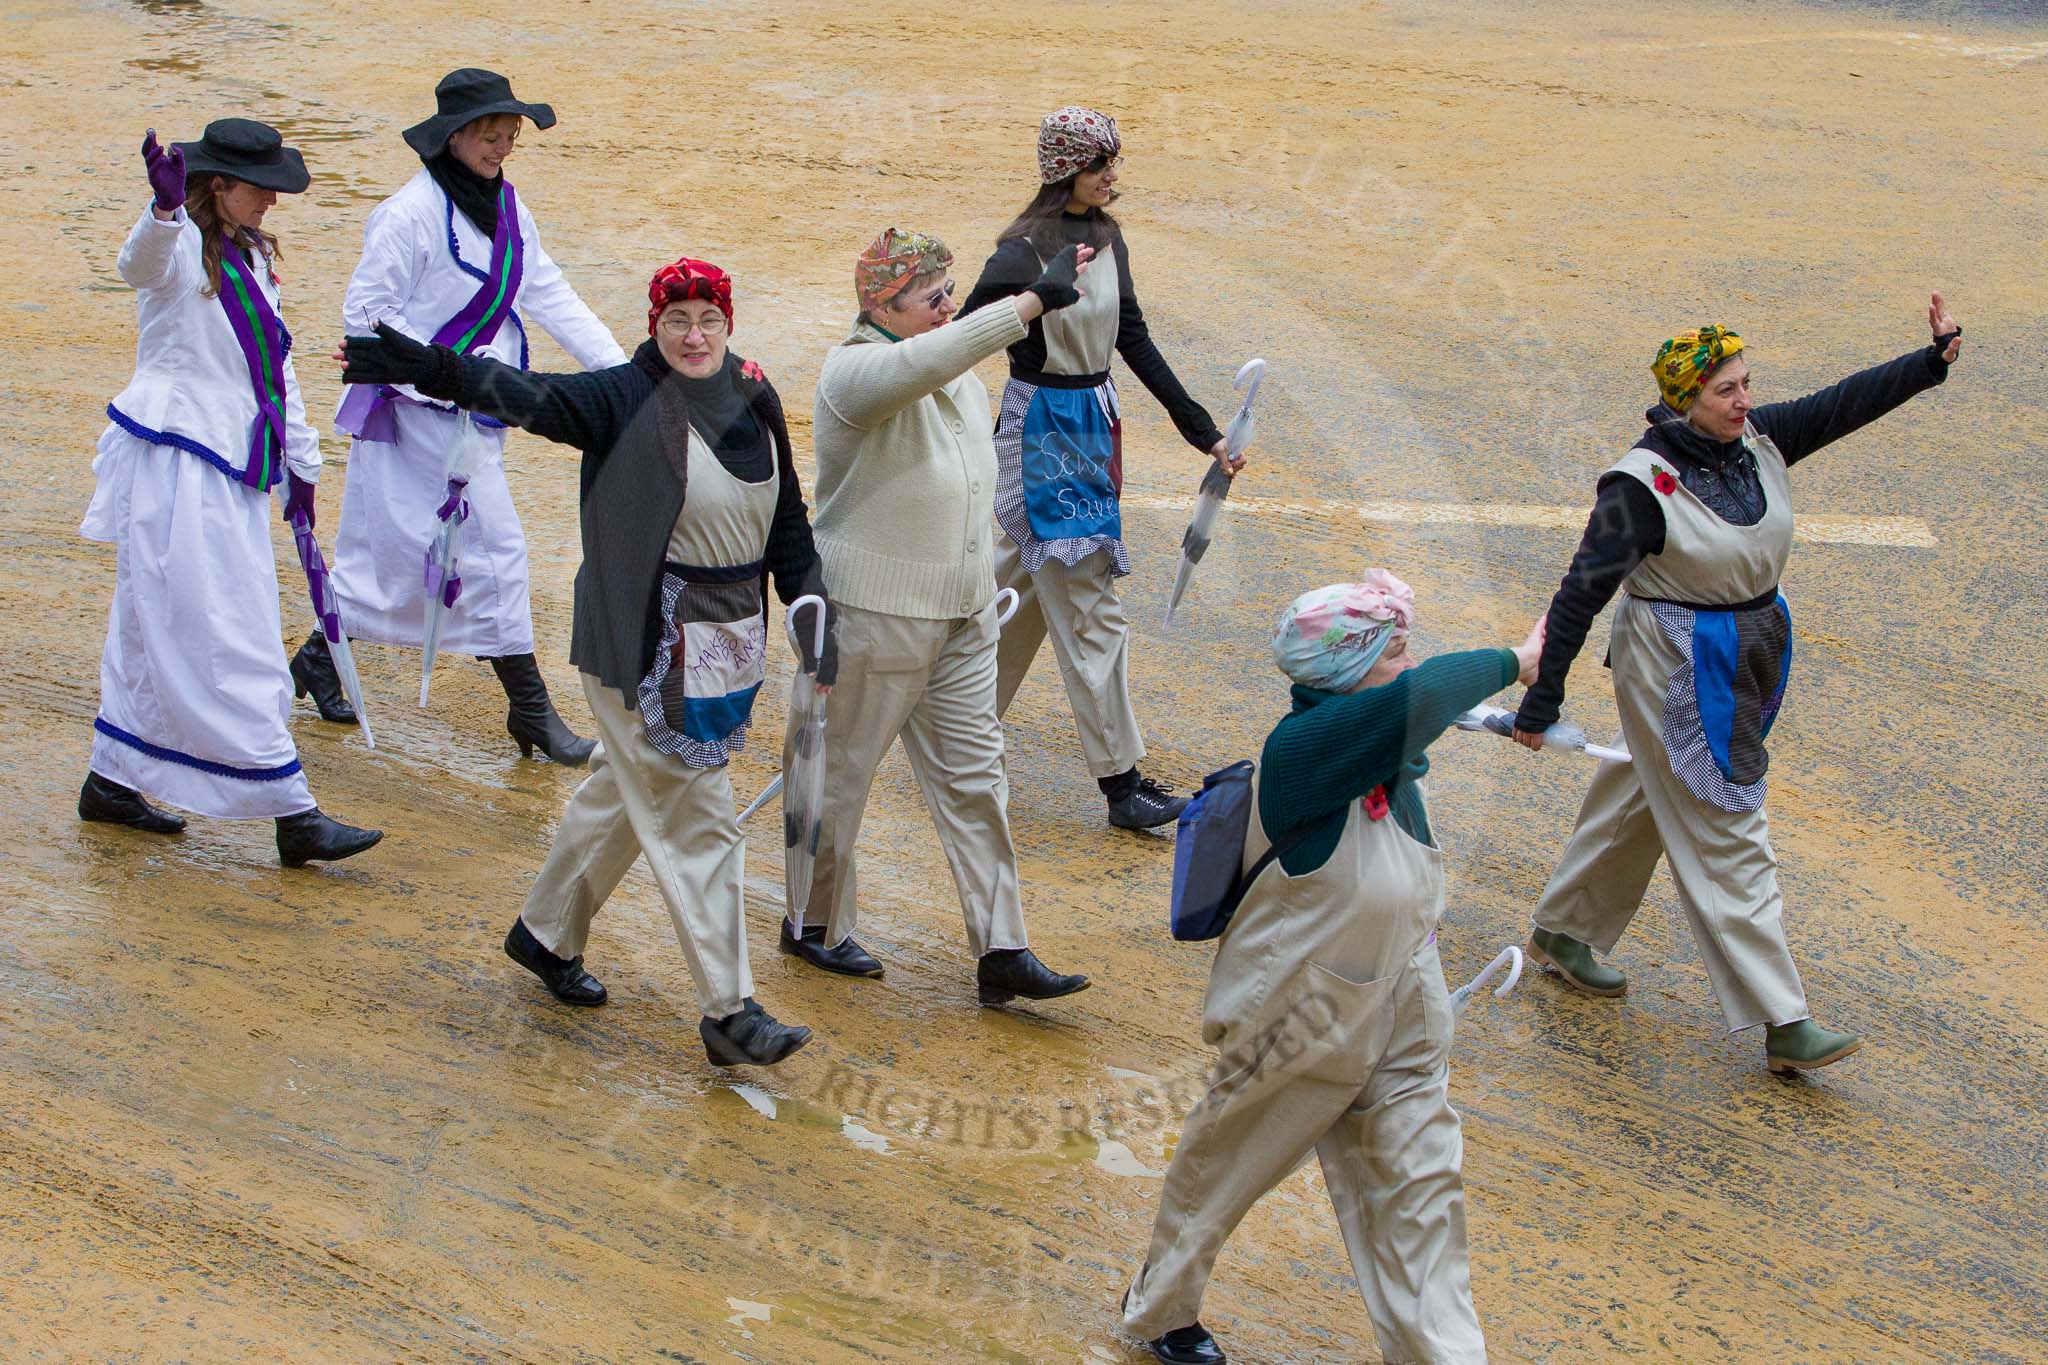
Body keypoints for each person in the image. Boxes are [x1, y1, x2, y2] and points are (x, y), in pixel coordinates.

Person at [340, 256, 828, 1067]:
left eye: (709, 319)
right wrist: (425, 366)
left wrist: (812, 605)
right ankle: (728, 1010)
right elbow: (530, 396)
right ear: (654, 325)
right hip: (634, 645)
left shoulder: (755, 392)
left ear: (729, 323)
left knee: (624, 794)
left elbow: (789, 523)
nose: (695, 335)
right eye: (678, 320)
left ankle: (543, 933)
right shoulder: (624, 398)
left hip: (725, 649)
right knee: (697, 816)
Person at [1511, 299, 1964, 1072]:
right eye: (1727, 390)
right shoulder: (1638, 486)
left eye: (1747, 384)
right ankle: (1783, 1019)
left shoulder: (1755, 442)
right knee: (1727, 821)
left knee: (1647, 787)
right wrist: (1541, 700)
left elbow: (1842, 404)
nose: (1744, 400)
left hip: (1740, 646)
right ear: (1685, 398)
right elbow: (1579, 594)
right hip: (1676, 662)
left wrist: (1928, 363)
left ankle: (1565, 929)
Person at [1122, 574, 1538, 1365]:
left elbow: (1409, 715)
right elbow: (1418, 700)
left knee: (1422, 1186)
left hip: (1399, 996)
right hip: (1297, 1013)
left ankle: (1442, 1355)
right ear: (1352, 667)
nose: (1409, 659)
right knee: (1224, 1167)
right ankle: (1159, 1307)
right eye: (1395, 645)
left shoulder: (1388, 752)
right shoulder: (1302, 750)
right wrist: (1520, 659)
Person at [777, 226, 1090, 1005]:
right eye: (933, 297)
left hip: (962, 611)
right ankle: (810, 921)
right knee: (838, 777)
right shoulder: (854, 372)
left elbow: (944, 364)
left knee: (980, 780)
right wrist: (1024, 304)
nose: (950, 308)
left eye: (951, 293)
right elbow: (922, 364)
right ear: (882, 305)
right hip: (873, 616)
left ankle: (1003, 947)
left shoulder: (950, 366)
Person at [80, 120, 382, 868]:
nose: (274, 202)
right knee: (232, 628)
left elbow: (273, 372)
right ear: (219, 186)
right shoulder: (178, 244)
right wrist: (161, 212)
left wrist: (303, 465)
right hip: (178, 463)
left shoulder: (253, 258)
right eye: (262, 188)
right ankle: (291, 810)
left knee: (152, 622)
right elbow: (135, 268)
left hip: (234, 463)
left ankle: (111, 779)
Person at [311, 68, 628, 764]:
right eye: (491, 136)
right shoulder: (407, 215)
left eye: (510, 136)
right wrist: (436, 373)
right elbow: (366, 316)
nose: (503, 147)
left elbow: (549, 294)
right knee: (498, 554)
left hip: (474, 416)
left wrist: (624, 374)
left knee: (410, 558)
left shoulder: (510, 208)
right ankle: (532, 711)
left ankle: (317, 660)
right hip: (417, 416)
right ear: (452, 136)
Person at [960, 106, 1236, 831]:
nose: (1113, 175)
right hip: (1045, 432)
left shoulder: (1107, 236)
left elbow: (1132, 337)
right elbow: (956, 343)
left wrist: (1200, 431)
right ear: (1065, 172)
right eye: (1100, 164)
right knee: (1088, 606)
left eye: (1113, 161)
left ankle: (945, 726)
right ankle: (1121, 784)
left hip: (1090, 424)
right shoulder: (1020, 253)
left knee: (1015, 591)